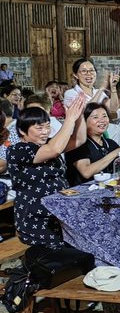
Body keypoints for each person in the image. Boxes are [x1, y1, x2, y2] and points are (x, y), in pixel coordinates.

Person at [9, 94, 87, 248]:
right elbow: (54, 150)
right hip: (38, 219)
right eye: (39, 128)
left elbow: (79, 139)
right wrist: (69, 119)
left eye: (47, 126)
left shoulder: (48, 144)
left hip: (59, 213)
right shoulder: (18, 150)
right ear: (22, 130)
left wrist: (79, 115)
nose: (45, 131)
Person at [66, 103, 120, 185]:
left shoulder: (110, 143)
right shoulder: (76, 145)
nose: (102, 120)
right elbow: (86, 172)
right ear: (83, 121)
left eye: (104, 116)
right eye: (95, 117)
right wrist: (116, 152)